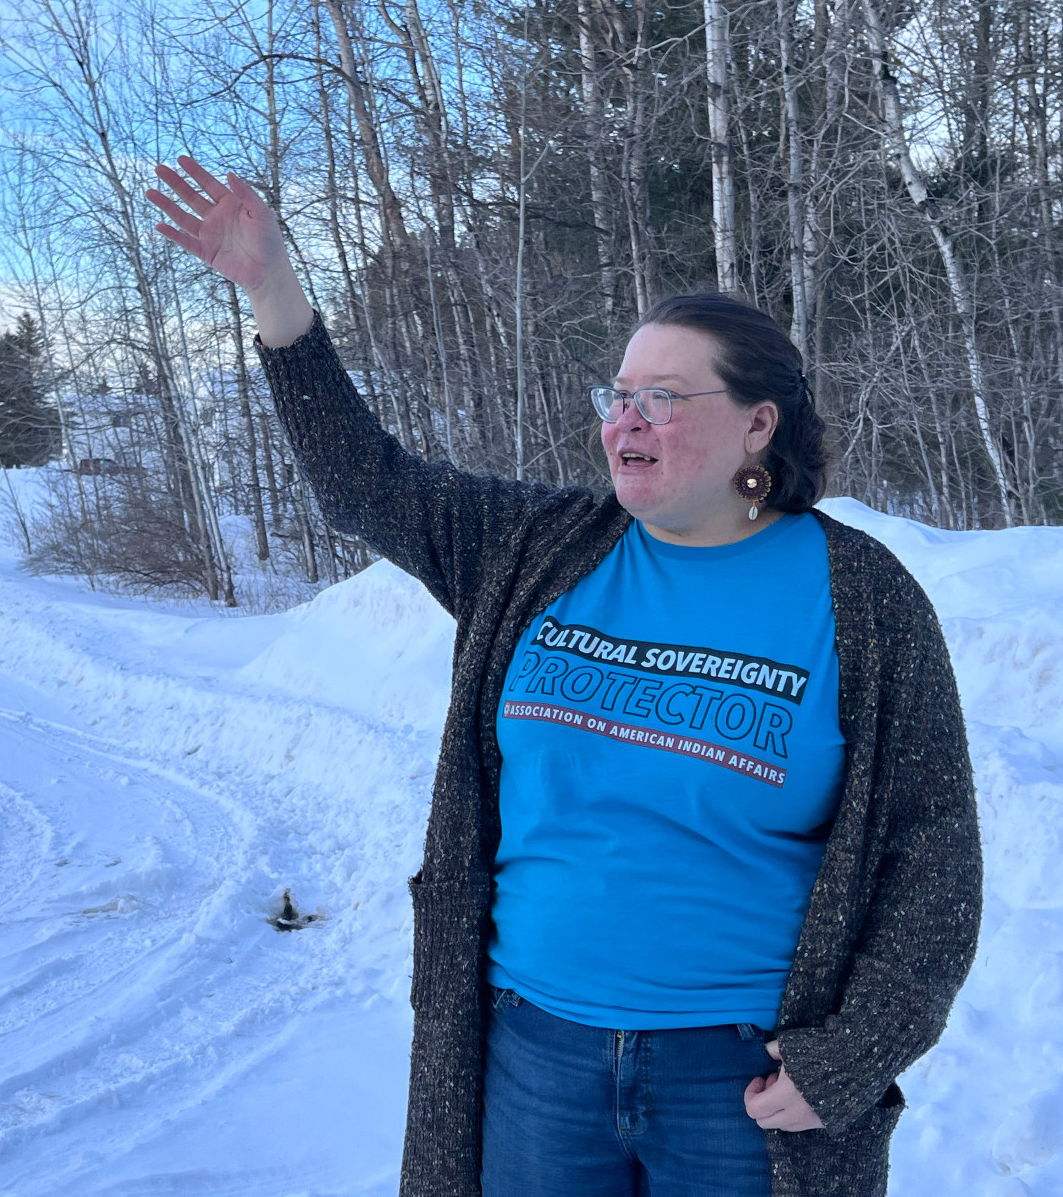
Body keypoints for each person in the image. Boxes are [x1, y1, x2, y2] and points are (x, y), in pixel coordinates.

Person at [145, 157, 981, 1197]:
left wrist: (850, 1058)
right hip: (534, 1058)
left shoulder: (861, 599)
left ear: (757, 424)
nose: (624, 420)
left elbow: (930, 849)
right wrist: (274, 292)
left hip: (740, 1081)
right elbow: (364, 484)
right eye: (618, 394)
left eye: (663, 398)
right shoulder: (536, 550)